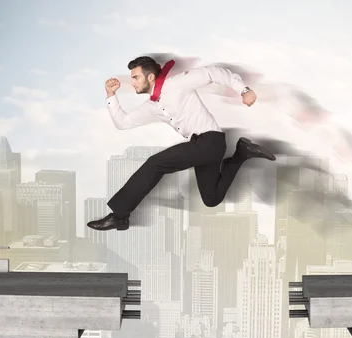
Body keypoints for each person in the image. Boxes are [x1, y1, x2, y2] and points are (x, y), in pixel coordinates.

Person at [87, 56, 276, 231]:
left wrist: (243, 89)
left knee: (155, 164)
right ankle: (241, 154)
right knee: (211, 199)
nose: (132, 82)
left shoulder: (177, 84)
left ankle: (120, 216)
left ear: (150, 76)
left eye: (136, 77)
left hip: (209, 141)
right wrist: (111, 95)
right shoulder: (151, 107)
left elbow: (213, 72)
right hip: (205, 148)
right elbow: (123, 123)